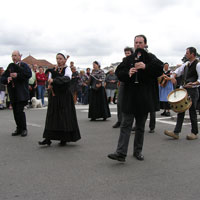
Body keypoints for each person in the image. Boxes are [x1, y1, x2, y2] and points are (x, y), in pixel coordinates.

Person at [108, 35, 163, 162]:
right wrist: (128, 73)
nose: (138, 44)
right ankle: (121, 153)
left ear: (145, 44)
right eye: (136, 42)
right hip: (130, 97)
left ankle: (138, 151)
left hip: (144, 98)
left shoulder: (151, 58)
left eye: (140, 42)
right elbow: (119, 73)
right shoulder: (129, 59)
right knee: (126, 124)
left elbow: (160, 69)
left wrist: (145, 67)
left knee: (140, 127)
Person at [38, 51, 81, 146]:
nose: (58, 60)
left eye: (60, 58)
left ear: (65, 60)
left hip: (64, 96)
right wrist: (49, 84)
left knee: (63, 117)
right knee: (51, 117)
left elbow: (67, 79)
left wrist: (55, 80)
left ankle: (64, 138)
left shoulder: (67, 69)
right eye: (57, 58)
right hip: (54, 96)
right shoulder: (54, 69)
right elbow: (49, 79)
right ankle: (47, 138)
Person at [164, 47, 200, 140]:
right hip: (185, 90)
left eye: (187, 53)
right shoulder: (186, 64)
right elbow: (177, 72)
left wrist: (193, 83)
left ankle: (194, 133)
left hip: (193, 90)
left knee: (192, 112)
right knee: (181, 110)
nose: (186, 54)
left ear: (192, 54)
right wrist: (173, 77)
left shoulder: (198, 64)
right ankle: (176, 132)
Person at [1, 50, 32, 137]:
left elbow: (28, 74)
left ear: (19, 56)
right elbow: (2, 78)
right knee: (15, 111)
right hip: (13, 92)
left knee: (19, 110)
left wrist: (17, 75)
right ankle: (18, 128)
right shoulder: (10, 66)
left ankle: (24, 128)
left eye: (15, 55)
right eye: (12, 56)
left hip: (21, 92)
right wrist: (7, 78)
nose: (14, 57)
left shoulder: (24, 65)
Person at [112, 47, 133, 128]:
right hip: (123, 83)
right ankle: (120, 120)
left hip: (132, 85)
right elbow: (118, 72)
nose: (127, 54)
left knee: (132, 104)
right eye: (126, 53)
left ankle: (133, 123)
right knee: (119, 103)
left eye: (128, 53)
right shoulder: (123, 62)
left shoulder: (134, 61)